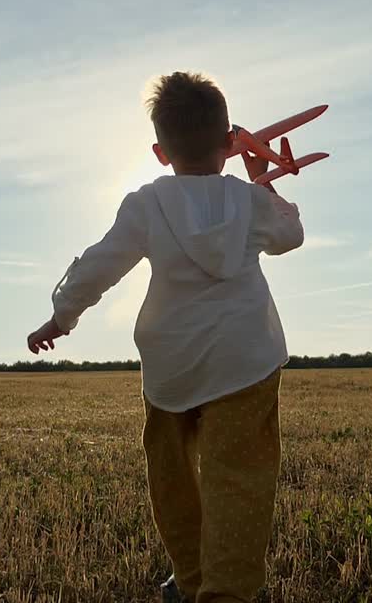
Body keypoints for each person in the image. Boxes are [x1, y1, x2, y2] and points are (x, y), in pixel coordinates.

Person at [25, 71, 305, 603]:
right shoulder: (249, 202)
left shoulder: (146, 204)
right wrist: (264, 185)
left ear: (159, 152)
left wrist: (61, 317)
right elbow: (291, 236)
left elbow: (98, 267)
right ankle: (230, 591)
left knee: (173, 478)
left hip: (172, 366)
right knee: (239, 478)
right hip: (244, 362)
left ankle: (192, 579)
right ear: (230, 143)